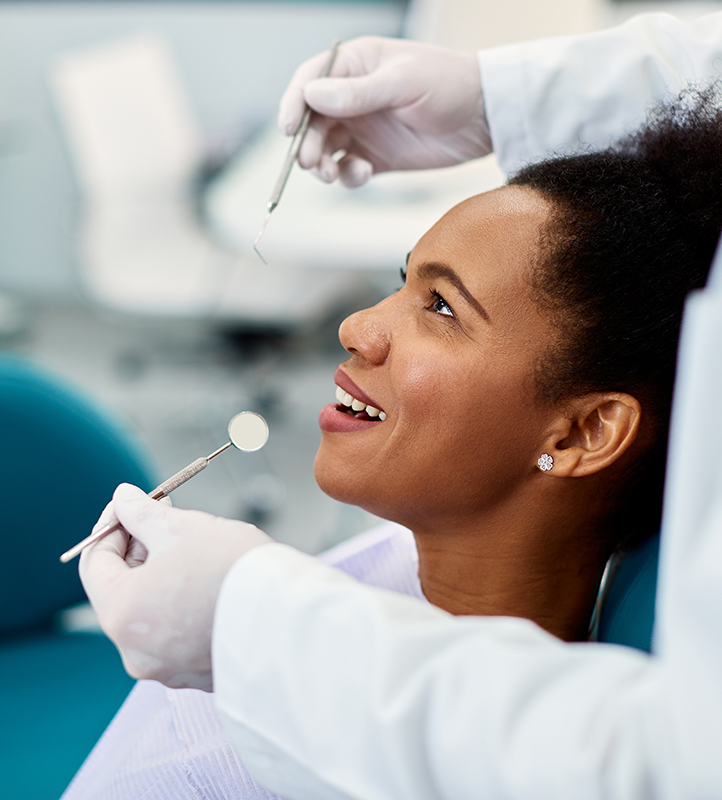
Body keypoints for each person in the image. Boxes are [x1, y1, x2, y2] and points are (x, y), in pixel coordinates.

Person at [73, 71, 722, 798]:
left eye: (441, 307)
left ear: (583, 433)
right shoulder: (211, 737)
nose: (357, 327)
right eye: (403, 280)